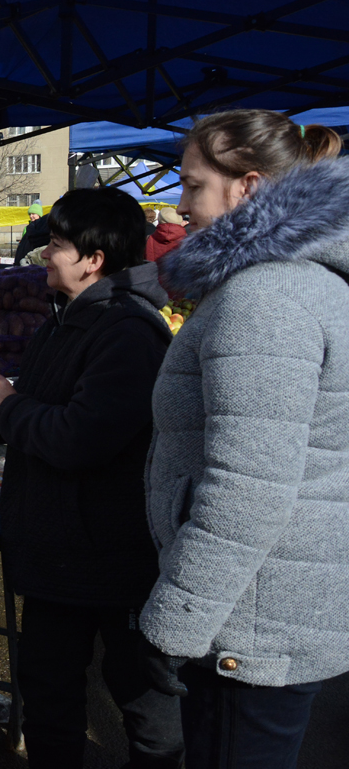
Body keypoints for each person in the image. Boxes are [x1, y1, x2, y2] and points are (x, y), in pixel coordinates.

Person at [140, 109, 347, 769]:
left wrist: (176, 623)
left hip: (250, 620)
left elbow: (248, 487)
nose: (180, 202)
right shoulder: (289, 282)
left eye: (194, 184)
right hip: (268, 602)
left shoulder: (266, 299)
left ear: (248, 188)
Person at [0, 187, 182, 769]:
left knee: (140, 692)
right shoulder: (67, 321)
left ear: (93, 259)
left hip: (104, 553)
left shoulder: (127, 332)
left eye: (57, 245)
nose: (46, 254)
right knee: (49, 689)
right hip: (61, 548)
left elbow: (79, 437)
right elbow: (43, 405)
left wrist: (7, 407)